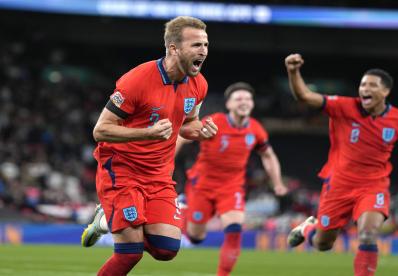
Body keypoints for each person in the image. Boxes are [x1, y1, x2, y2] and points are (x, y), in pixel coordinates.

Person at [81, 16, 218, 276]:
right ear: (173, 48)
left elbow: (188, 123)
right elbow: (100, 130)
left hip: (158, 175)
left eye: (206, 45)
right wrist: (147, 133)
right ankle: (113, 219)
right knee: (129, 254)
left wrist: (201, 131)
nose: (203, 51)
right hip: (122, 169)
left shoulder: (199, 84)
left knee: (167, 250)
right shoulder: (137, 80)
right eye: (196, 45)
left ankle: (107, 220)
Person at [284, 54, 398, 276]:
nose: (364, 89)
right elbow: (304, 96)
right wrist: (293, 72)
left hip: (373, 186)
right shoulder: (343, 106)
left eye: (371, 85)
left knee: (367, 234)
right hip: (338, 185)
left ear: (385, 91)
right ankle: (308, 227)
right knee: (322, 244)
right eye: (362, 84)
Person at [179, 82, 288, 276]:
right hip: (201, 185)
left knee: (235, 230)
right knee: (196, 237)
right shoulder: (215, 121)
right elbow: (183, 136)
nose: (244, 102)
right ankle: (184, 207)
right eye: (238, 99)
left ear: (252, 104)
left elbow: (268, 155)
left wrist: (278, 183)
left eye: (248, 98)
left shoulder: (256, 129)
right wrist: (166, 162)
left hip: (231, 187)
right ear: (228, 104)